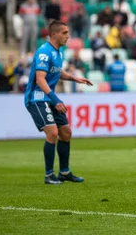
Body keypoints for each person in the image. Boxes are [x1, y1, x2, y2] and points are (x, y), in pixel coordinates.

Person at [24, 21, 93, 185]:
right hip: (37, 98)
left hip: (49, 97)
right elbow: (40, 80)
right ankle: (49, 175)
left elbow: (56, 71)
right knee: (53, 133)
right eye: (64, 33)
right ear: (53, 34)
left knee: (66, 132)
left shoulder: (59, 52)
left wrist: (74, 78)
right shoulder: (43, 52)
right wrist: (56, 100)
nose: (68, 36)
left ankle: (64, 172)